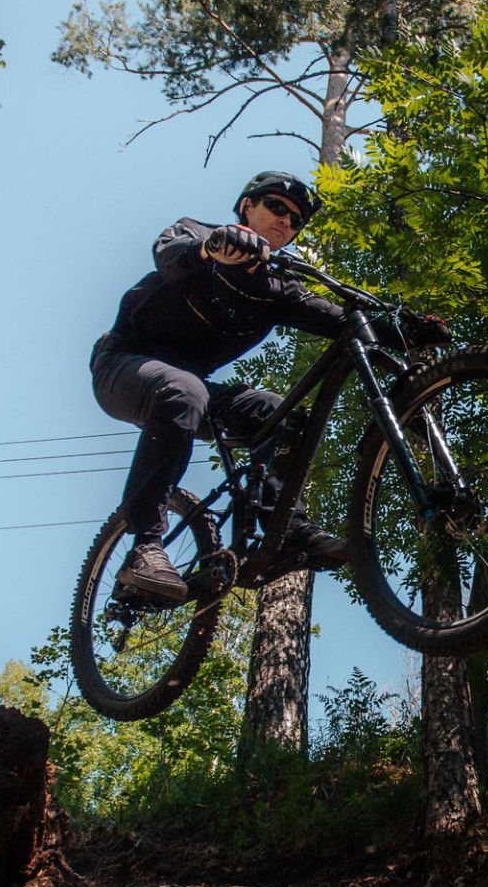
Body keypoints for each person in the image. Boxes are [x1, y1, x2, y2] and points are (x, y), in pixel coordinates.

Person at [91, 171, 351, 607]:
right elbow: (170, 253)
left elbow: (339, 319)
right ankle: (144, 545)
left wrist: (402, 326)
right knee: (184, 390)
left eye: (297, 220)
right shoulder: (203, 235)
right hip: (120, 365)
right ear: (247, 205)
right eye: (278, 207)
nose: (287, 221)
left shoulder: (277, 287)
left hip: (195, 387)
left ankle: (282, 529)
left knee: (279, 412)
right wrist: (212, 249)